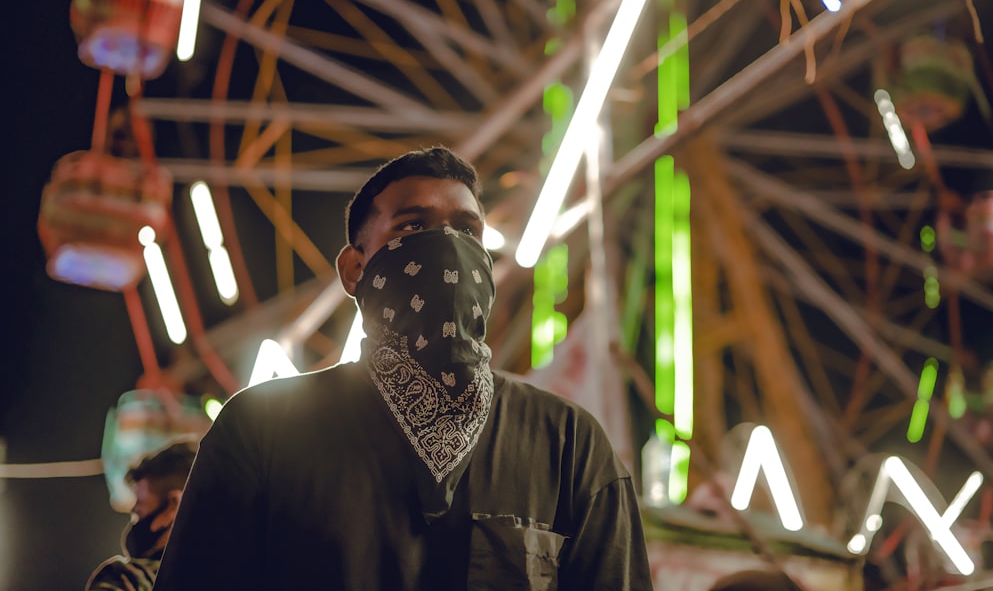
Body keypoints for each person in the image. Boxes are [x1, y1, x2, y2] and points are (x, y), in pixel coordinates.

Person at [154, 146, 653, 590]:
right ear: (354, 269)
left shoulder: (568, 443)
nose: (449, 248)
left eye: (466, 230)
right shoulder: (262, 427)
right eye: (413, 227)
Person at [86, 439, 198, 590]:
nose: (134, 521)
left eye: (139, 511)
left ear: (173, 506)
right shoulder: (231, 576)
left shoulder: (127, 579)